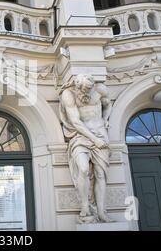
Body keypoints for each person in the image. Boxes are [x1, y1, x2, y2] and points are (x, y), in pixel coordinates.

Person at [59, 74, 114, 223]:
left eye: (89, 88)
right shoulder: (68, 94)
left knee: (100, 174)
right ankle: (85, 206)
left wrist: (105, 119)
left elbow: (108, 105)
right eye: (84, 89)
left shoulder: (100, 89)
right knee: (83, 169)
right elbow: (75, 121)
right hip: (80, 135)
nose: (87, 92)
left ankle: (102, 212)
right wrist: (94, 139)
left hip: (100, 133)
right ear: (77, 86)